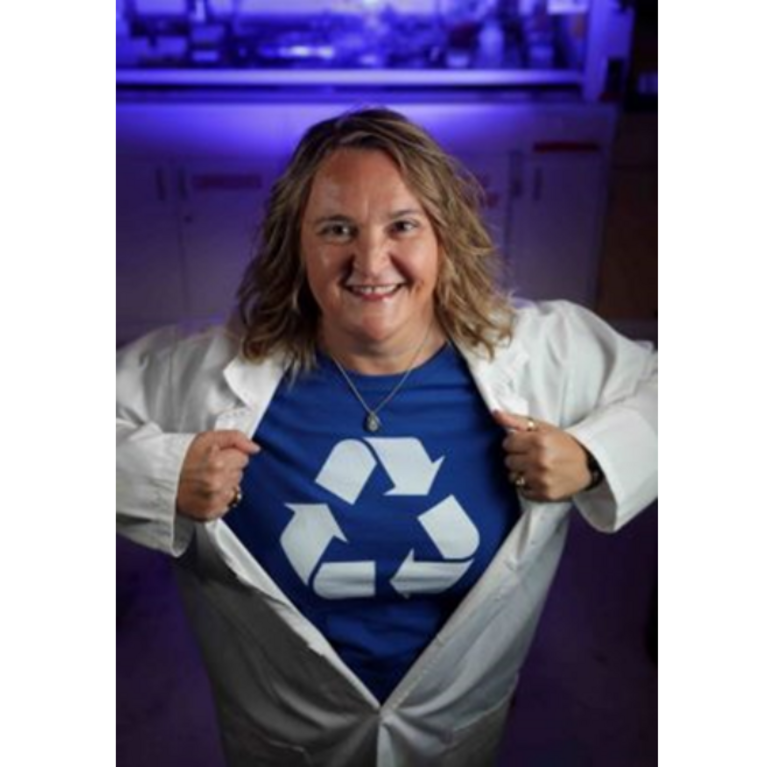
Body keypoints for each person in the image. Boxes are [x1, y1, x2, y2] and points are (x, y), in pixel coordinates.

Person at [116, 107, 657, 767]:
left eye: (402, 225)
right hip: (279, 743)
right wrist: (160, 473)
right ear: (296, 244)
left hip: (455, 740)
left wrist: (594, 457)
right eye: (336, 228)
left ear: (444, 236)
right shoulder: (198, 373)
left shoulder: (546, 353)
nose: (370, 261)